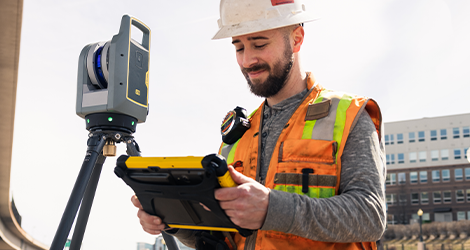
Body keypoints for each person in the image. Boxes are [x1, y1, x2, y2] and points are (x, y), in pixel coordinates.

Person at [132, 0, 386, 249]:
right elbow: (225, 238)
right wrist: (173, 221)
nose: (247, 61)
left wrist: (271, 209)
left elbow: (370, 217)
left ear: (297, 38)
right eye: (239, 48)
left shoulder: (347, 115)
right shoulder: (238, 135)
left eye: (260, 44)